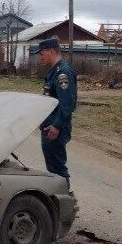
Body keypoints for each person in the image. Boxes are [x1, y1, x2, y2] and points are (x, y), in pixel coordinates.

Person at [28, 38, 77, 186]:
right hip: (49, 127)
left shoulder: (63, 73)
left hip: (55, 129)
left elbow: (67, 103)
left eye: (42, 53)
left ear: (52, 51)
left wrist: (56, 125)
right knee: (53, 169)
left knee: (57, 170)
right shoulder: (54, 72)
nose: (40, 56)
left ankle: (65, 201)